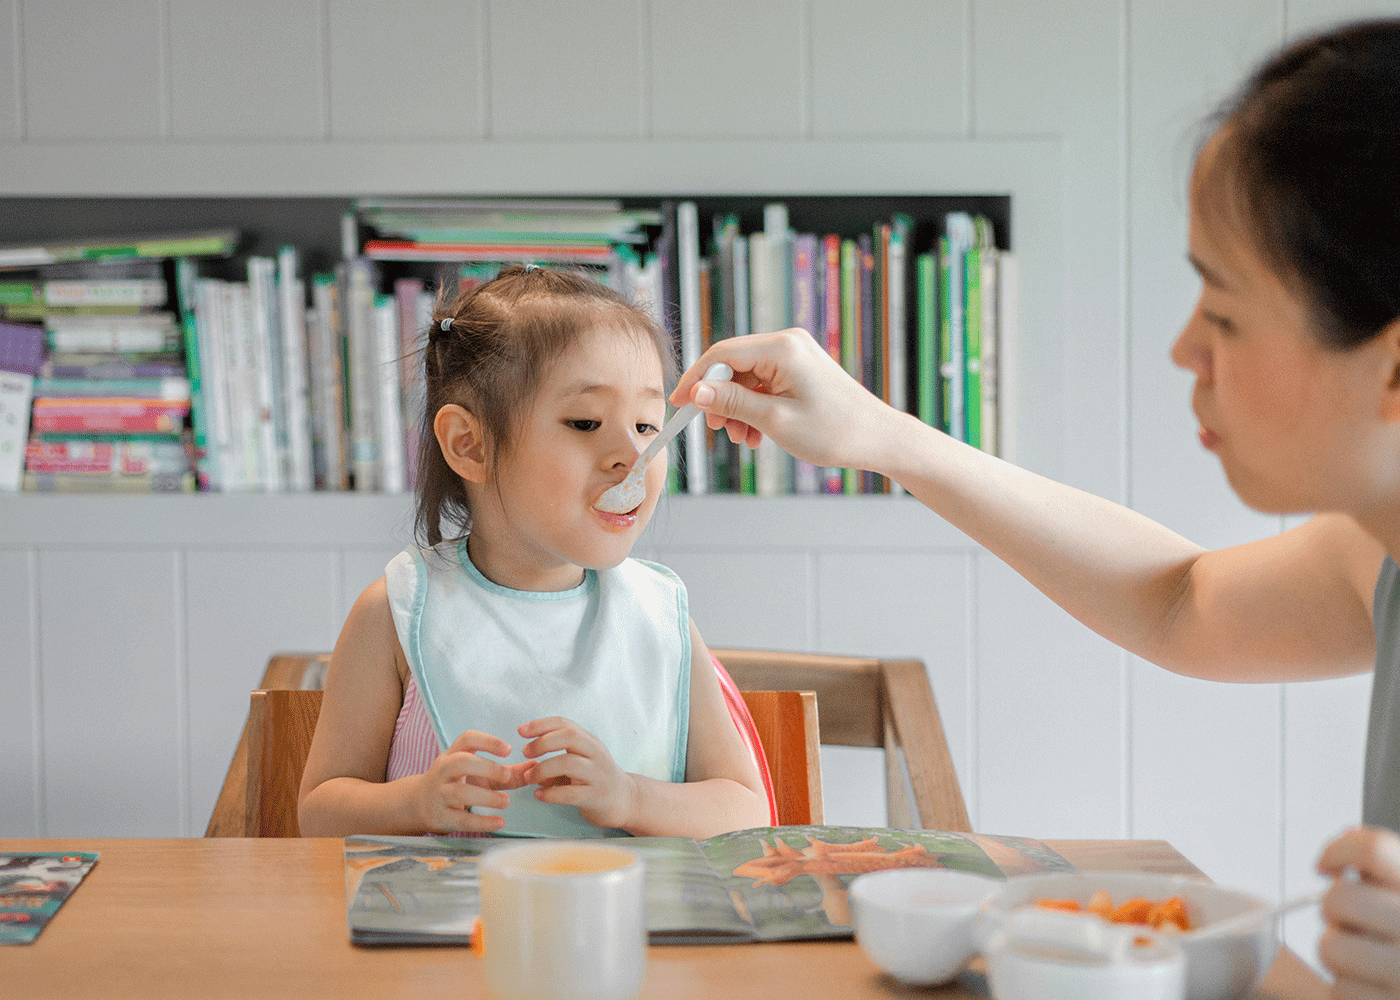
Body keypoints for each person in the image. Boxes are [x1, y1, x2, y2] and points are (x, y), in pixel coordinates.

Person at [672, 18, 1400, 997]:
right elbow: (1179, 600)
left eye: (1222, 312)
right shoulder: (1375, 555)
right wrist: (878, 435)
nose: (1184, 349)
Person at [299, 265, 767, 841]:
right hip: (450, 927)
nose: (632, 455)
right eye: (585, 421)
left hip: (631, 926)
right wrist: (414, 804)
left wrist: (629, 798)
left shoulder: (660, 615)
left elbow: (746, 810)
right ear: (469, 446)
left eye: (648, 425)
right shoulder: (395, 613)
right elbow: (319, 812)